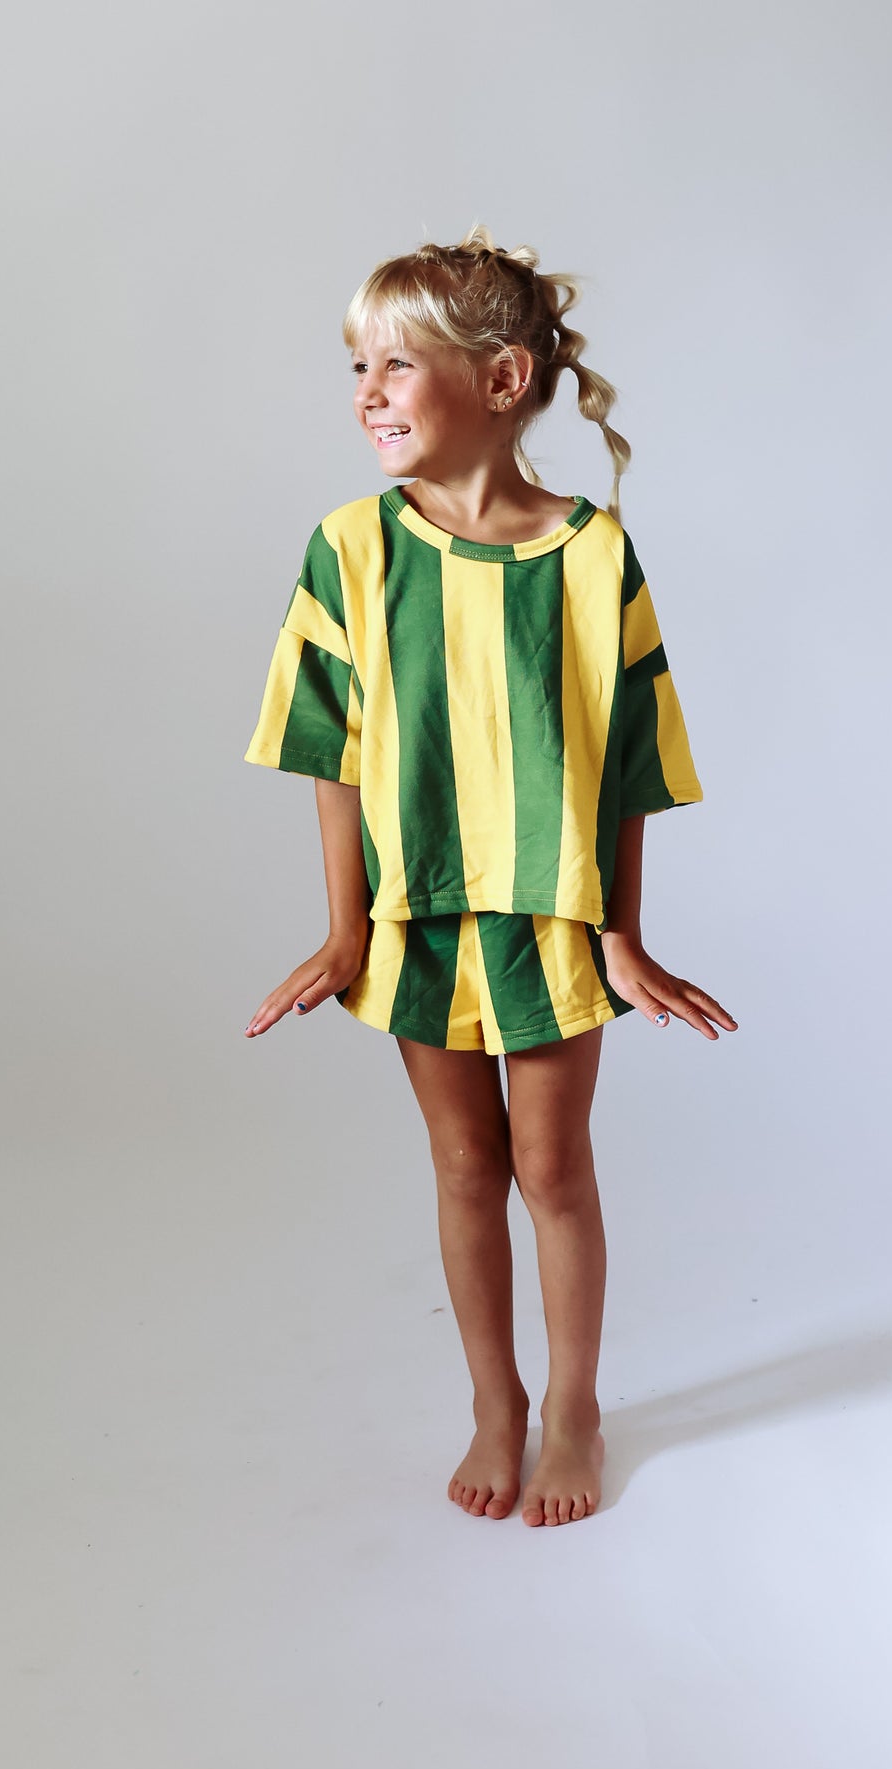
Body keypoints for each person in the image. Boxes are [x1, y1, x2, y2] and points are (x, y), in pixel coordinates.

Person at [242, 226, 737, 1528]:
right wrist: (344, 933)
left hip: (555, 922)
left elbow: (626, 765)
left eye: (396, 364)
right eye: (357, 367)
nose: (368, 393)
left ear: (503, 379)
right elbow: (330, 754)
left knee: (553, 1168)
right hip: (418, 921)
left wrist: (622, 935)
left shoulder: (593, 555)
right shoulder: (349, 549)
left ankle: (574, 1409)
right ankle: (494, 1402)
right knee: (465, 1167)